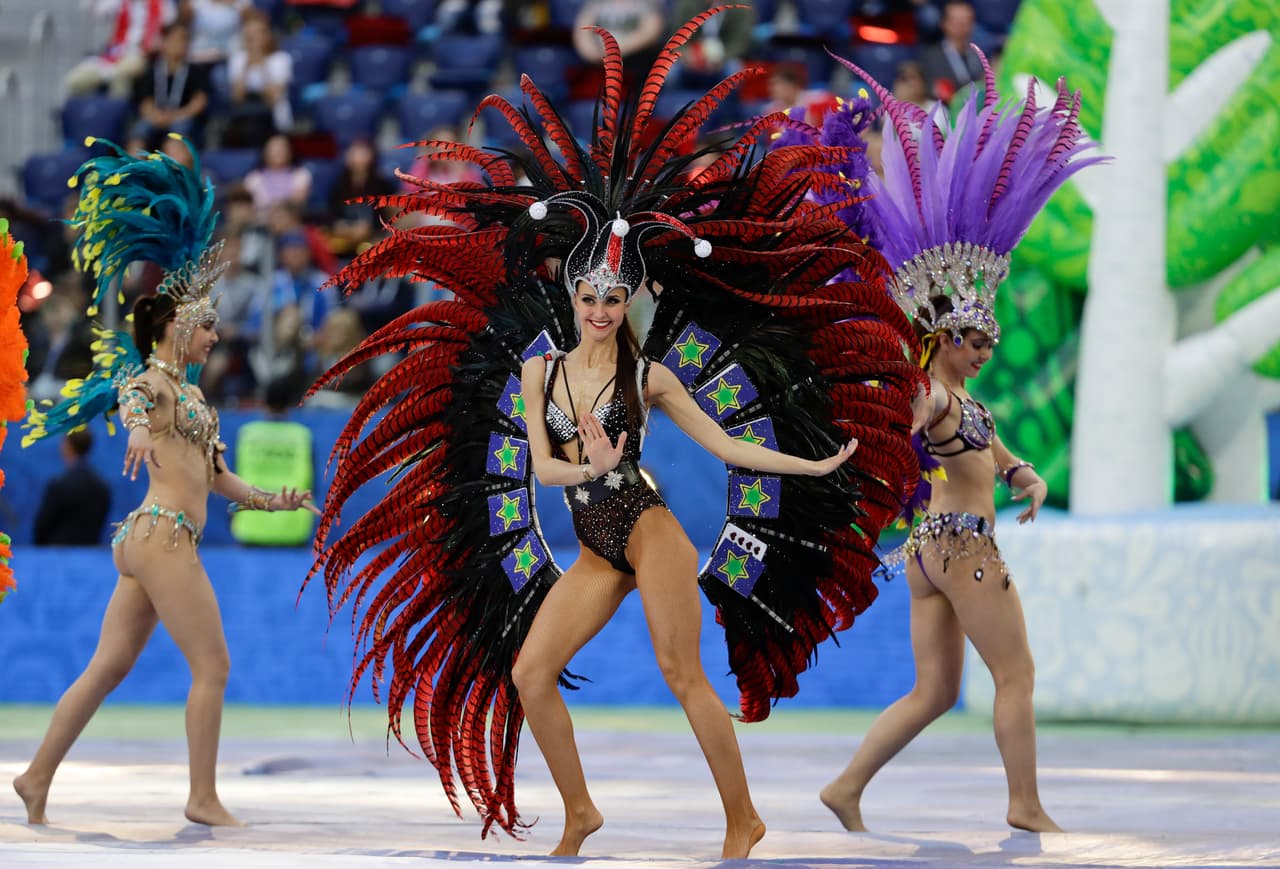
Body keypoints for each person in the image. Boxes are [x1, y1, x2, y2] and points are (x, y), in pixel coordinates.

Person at [308, 8, 920, 859]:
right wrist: (584, 462)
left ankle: (743, 818)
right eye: (589, 297)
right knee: (529, 673)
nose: (599, 310)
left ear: (628, 298)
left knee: (681, 675)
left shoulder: (649, 376)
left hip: (649, 528)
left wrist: (814, 460)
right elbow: (541, 472)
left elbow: (731, 448)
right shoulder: (539, 372)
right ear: (571, 297)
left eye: (612, 298)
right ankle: (581, 810)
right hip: (595, 544)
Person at [816, 47, 1105, 835]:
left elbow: (992, 452)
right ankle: (1024, 803)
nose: (986, 350)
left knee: (935, 692)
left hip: (930, 552)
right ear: (943, 331)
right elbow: (905, 439)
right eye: (976, 338)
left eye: (990, 340)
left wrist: (1025, 473)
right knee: (1017, 674)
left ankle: (845, 786)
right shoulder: (929, 391)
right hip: (960, 545)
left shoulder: (960, 395)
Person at [14, 136, 318, 827]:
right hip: (164, 536)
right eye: (206, 325)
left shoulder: (192, 397)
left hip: (144, 539)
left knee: (106, 668)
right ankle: (201, 795)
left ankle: (35, 776)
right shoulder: (156, 383)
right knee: (212, 666)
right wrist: (140, 429)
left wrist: (277, 500)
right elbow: (131, 398)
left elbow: (222, 480)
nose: (215, 335)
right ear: (176, 325)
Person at [131, 21, 210, 146]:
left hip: (182, 116)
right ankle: (136, 164)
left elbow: (199, 102)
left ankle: (174, 164)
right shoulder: (152, 70)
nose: (179, 44)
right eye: (174, 40)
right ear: (164, 42)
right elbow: (145, 102)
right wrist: (156, 116)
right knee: (138, 131)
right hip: (156, 116)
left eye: (184, 40)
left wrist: (175, 116)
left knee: (179, 130)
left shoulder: (196, 71)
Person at [34, 429, 113, 546]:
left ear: (68, 446)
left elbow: (42, 526)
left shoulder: (59, 485)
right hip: (90, 555)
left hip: (56, 555)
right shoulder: (102, 487)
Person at [917, 0, 985, 102]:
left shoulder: (980, 54)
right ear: (943, 23)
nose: (961, 25)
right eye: (956, 21)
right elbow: (935, 92)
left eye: (966, 20)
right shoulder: (931, 57)